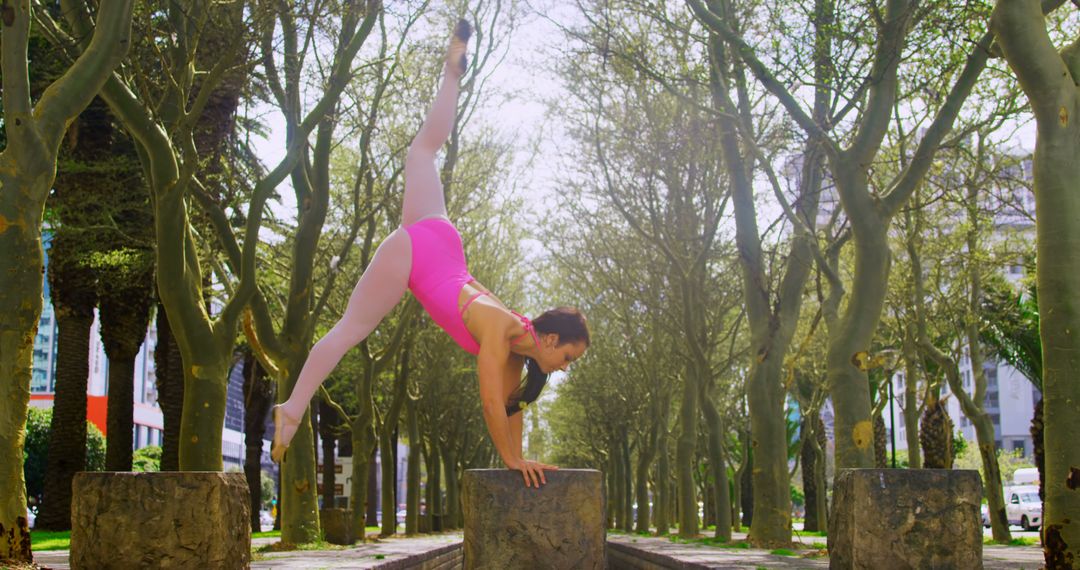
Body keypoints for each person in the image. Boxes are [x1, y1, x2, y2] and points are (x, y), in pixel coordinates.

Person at [271, 20, 590, 489]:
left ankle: (452, 74)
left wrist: (522, 462)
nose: (564, 368)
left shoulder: (518, 354)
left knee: (422, 152)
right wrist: (509, 459)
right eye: (567, 357)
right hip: (416, 258)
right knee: (351, 328)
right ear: (548, 339)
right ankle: (292, 408)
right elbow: (488, 404)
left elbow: (508, 408)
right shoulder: (501, 333)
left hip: (443, 240)